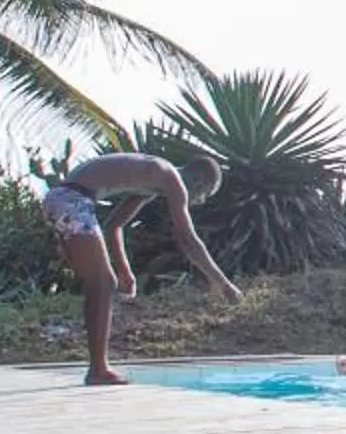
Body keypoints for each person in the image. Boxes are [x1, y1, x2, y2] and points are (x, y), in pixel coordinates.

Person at [41, 152, 241, 387]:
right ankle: (98, 369)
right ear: (200, 181)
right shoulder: (171, 177)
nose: (201, 201)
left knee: (101, 282)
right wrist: (224, 284)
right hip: (73, 201)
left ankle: (97, 367)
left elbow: (114, 225)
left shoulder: (150, 181)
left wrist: (125, 270)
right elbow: (187, 239)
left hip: (60, 200)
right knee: (103, 283)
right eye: (206, 194)